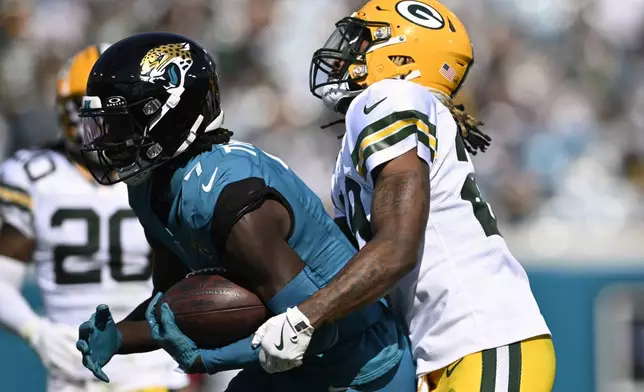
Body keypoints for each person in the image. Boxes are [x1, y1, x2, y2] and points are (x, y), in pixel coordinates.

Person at [74, 32, 415, 392]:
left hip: (364, 367)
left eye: (121, 123)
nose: (108, 140)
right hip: (295, 362)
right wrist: (119, 336)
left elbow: (316, 329)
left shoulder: (228, 196)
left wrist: (209, 360)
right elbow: (176, 304)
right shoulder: (150, 187)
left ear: (167, 113)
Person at [252, 1, 557, 391]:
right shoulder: (381, 116)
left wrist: (306, 317)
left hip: (482, 338)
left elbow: (398, 245)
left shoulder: (389, 98)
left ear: (399, 54)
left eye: (363, 42)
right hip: (449, 351)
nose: (348, 54)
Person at [0, 44, 190, 392]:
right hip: (72, 370)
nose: (97, 123)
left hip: (151, 368)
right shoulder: (34, 176)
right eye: (85, 108)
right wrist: (35, 330)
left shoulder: (162, 173)